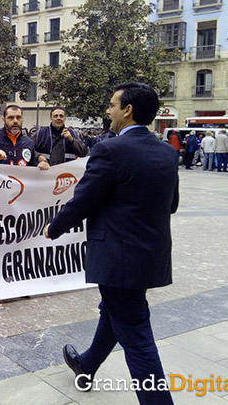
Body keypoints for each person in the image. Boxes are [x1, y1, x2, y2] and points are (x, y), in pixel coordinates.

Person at [44, 82, 178, 405]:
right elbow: (171, 204)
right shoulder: (167, 152)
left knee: (138, 339)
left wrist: (54, 227)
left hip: (118, 259)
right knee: (114, 311)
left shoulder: (110, 150)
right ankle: (86, 365)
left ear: (127, 110)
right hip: (149, 258)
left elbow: (83, 200)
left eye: (112, 105)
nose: (108, 111)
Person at [0, 104, 49, 170]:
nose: (15, 121)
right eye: (10, 118)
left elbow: (31, 165)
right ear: (3, 120)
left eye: (18, 117)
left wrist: (41, 166)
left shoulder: (28, 142)